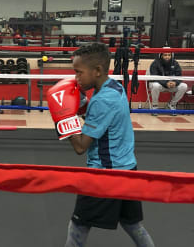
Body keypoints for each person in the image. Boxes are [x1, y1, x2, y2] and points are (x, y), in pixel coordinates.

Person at [47, 43, 155, 247]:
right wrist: (82, 107)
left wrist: (63, 117)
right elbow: (104, 120)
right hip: (128, 168)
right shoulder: (115, 86)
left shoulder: (102, 101)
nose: (76, 78)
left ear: (97, 71)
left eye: (79, 73)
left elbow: (80, 147)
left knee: (78, 225)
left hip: (106, 174)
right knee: (132, 224)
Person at [149, 47, 187, 116]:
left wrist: (175, 82)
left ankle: (171, 105)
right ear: (161, 55)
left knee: (184, 86)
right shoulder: (155, 63)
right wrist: (166, 83)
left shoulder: (175, 63)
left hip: (171, 85)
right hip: (160, 85)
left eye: (169, 55)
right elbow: (154, 77)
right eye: (165, 55)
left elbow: (179, 76)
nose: (167, 57)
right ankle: (154, 107)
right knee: (155, 85)